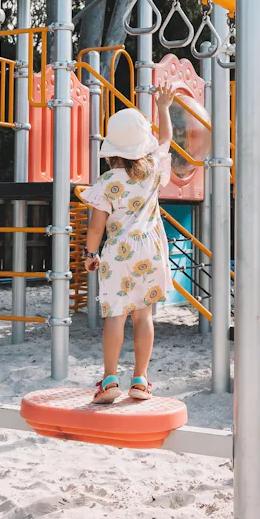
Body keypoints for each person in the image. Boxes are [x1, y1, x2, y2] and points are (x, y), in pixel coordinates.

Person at [80, 82, 177, 404]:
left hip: (117, 253)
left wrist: (90, 253)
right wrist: (163, 107)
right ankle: (140, 380)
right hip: (150, 250)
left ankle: (109, 381)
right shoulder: (152, 172)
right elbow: (165, 140)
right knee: (143, 316)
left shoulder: (107, 182)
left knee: (115, 317)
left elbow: (96, 226)